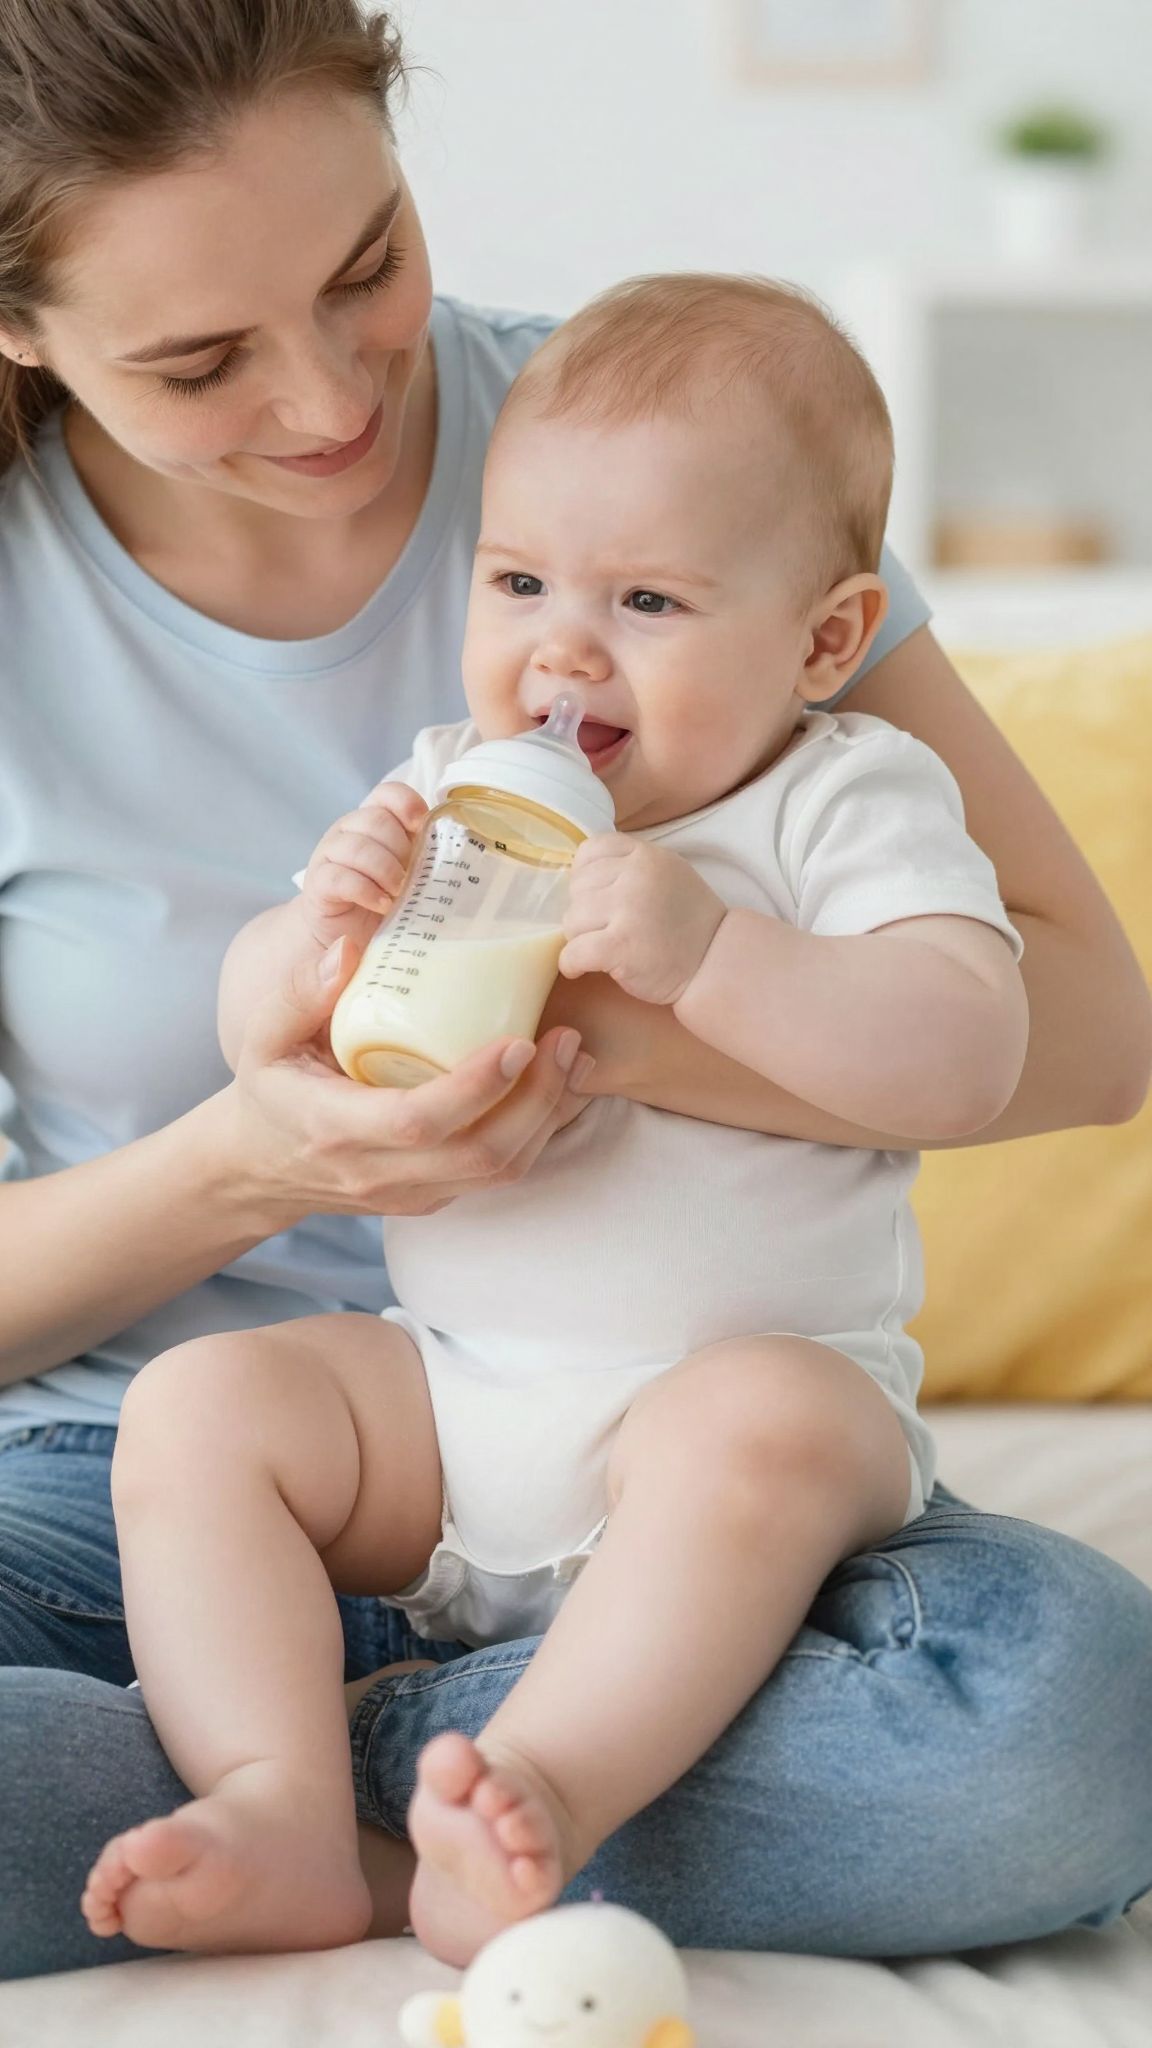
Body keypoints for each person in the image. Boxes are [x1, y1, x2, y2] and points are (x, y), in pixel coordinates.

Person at [0, 0, 1149, 1984]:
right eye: (196, 360)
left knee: (1070, 1721)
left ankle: (446, 1781)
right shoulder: (455, 737)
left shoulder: (673, 466)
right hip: (245, 1486)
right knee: (198, 1413)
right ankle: (354, 1805)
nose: (330, 393)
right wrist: (271, 1113)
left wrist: (649, 1015)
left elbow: (1068, 1031)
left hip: (695, 1483)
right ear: (22, 329)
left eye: (366, 263)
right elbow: (287, 979)